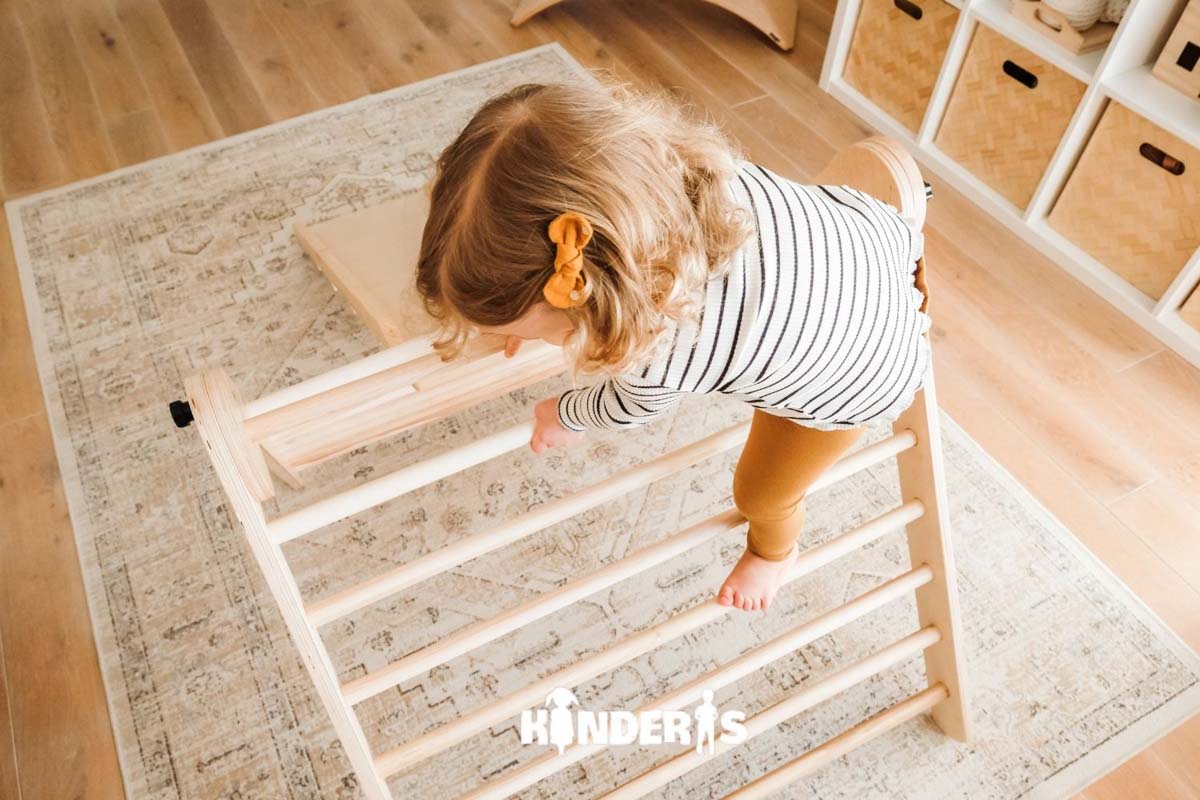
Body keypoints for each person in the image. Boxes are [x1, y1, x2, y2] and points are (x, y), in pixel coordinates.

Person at [416, 81, 929, 613]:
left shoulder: (664, 346)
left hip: (864, 369)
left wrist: (565, 413)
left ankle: (776, 554)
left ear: (588, 295)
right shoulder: (699, 171)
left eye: (540, 330)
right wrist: (518, 314)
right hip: (870, 237)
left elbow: (627, 407)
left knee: (762, 494)